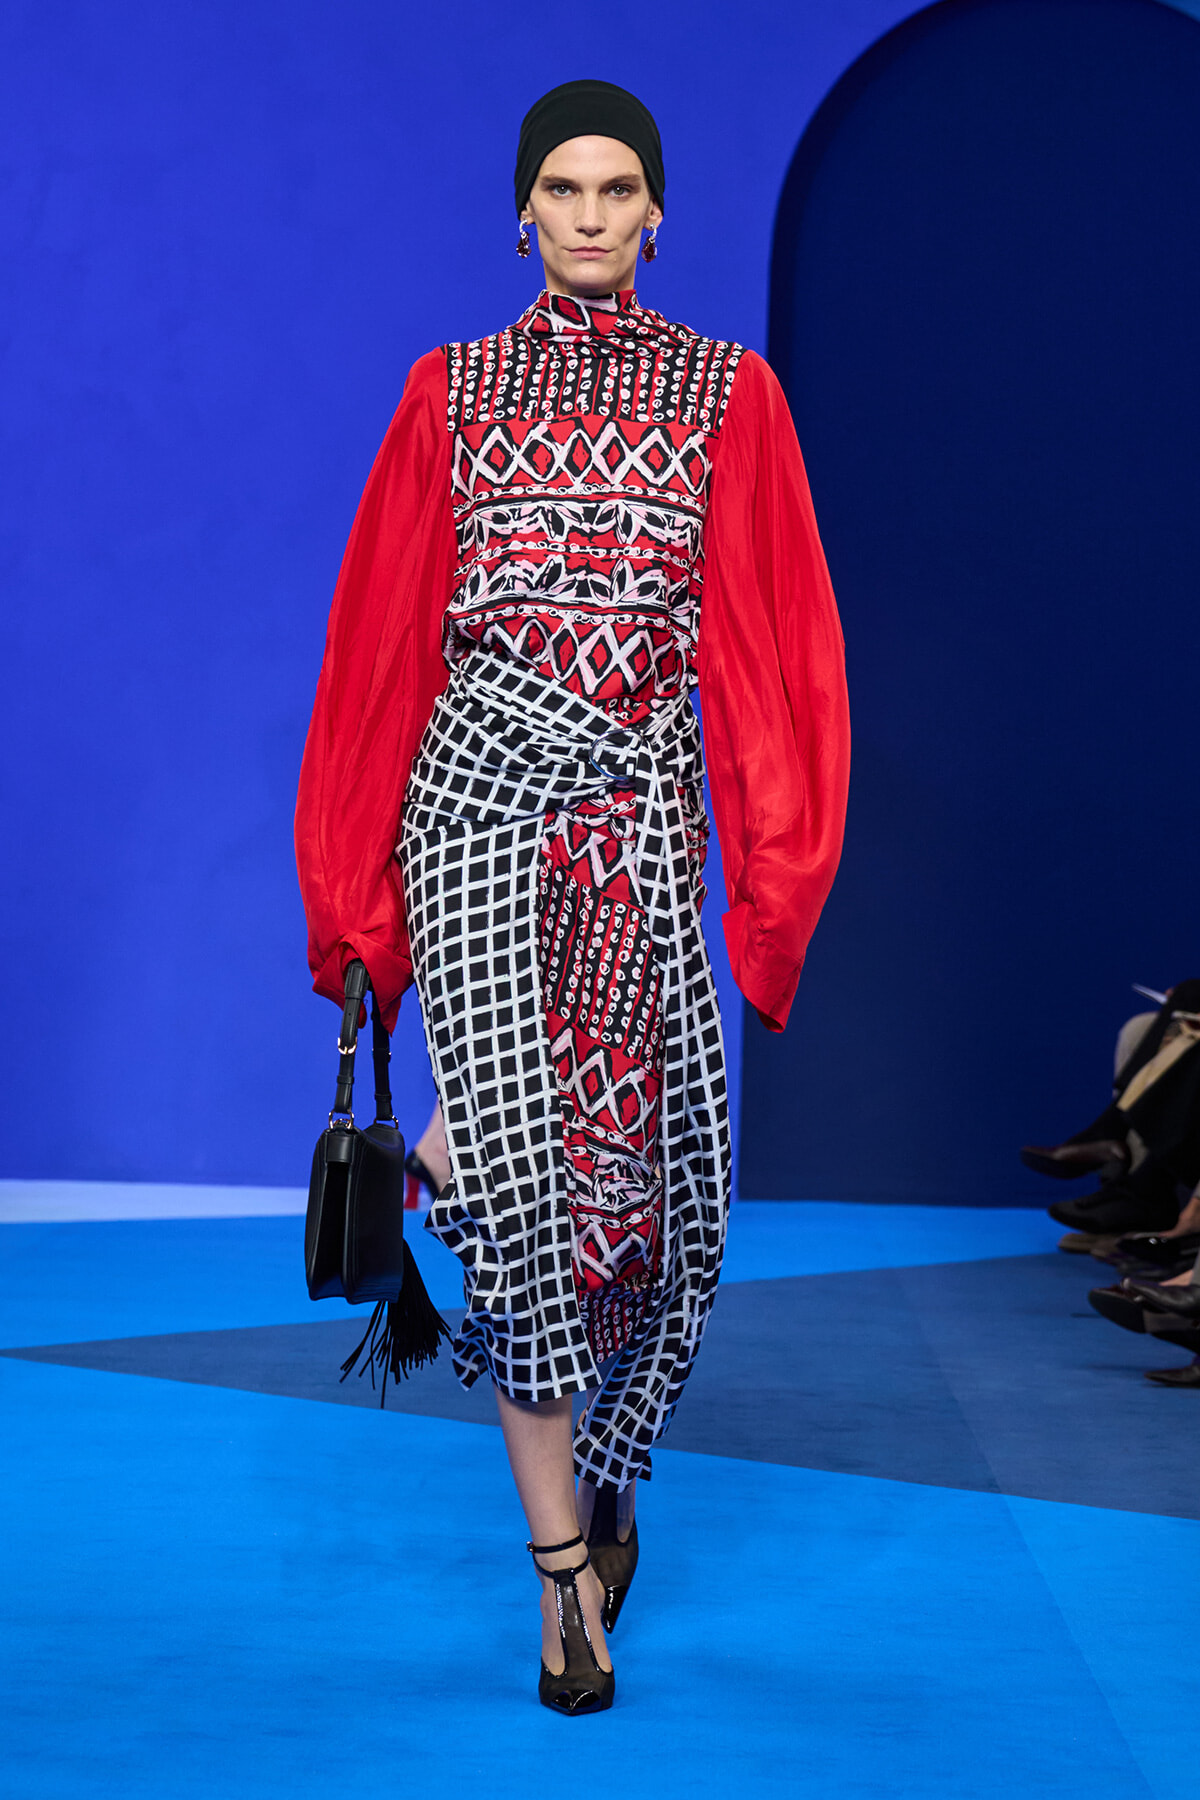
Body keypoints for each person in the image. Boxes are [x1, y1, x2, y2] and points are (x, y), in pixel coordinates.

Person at [295, 79, 850, 1714]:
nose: (593, 212)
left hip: (631, 836)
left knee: (652, 1223)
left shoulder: (728, 395)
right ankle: (557, 1583)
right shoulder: (449, 393)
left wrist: (770, 874)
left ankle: (608, 1475)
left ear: (659, 214)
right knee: (525, 1218)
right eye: (563, 186)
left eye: (620, 187)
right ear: (520, 213)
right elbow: (381, 654)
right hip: (471, 822)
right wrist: (356, 912)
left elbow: (772, 650)